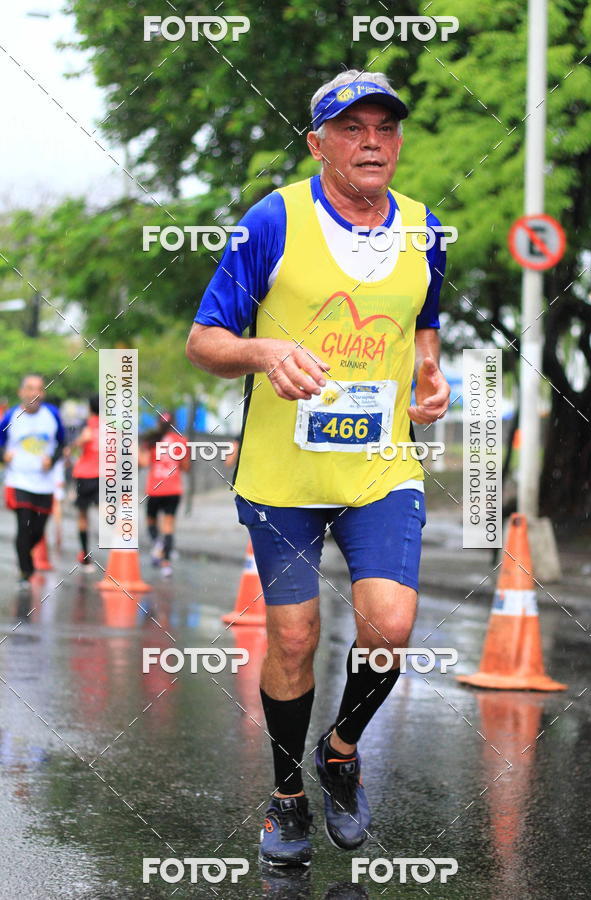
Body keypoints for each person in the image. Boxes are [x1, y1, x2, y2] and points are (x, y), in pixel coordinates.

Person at [186, 70, 451, 867]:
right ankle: (287, 794)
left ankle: (339, 752)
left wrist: (430, 376)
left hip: (380, 467)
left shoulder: (425, 229)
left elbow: (424, 321)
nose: (372, 142)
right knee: (294, 637)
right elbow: (204, 340)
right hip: (283, 474)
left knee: (390, 626)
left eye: (385, 128)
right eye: (351, 129)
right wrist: (265, 351)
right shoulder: (272, 220)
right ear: (317, 143)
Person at [0, 374, 65, 589]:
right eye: (29, 388)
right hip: (18, 480)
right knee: (24, 524)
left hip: (44, 483)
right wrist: (3, 456)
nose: (34, 394)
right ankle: (25, 571)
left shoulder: (52, 415)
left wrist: (52, 459)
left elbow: (62, 444)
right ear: (21, 392)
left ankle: (24, 553)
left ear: (43, 393)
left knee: (37, 530)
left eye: (38, 389)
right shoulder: (11, 416)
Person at [139, 414, 190, 577]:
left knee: (150, 522)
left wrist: (136, 451)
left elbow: (144, 463)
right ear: (173, 423)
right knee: (168, 526)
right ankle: (166, 564)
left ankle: (158, 545)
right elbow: (186, 467)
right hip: (173, 489)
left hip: (155, 489)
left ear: (158, 423)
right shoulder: (181, 441)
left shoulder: (152, 440)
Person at [71, 394, 100, 570]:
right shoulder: (111, 427)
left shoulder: (85, 425)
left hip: (86, 475)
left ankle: (85, 554)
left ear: (89, 408)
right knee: (104, 513)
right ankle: (86, 553)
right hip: (102, 476)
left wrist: (79, 442)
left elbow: (72, 450)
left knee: (83, 516)